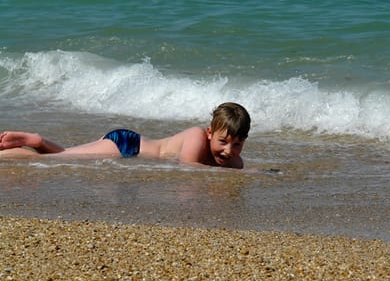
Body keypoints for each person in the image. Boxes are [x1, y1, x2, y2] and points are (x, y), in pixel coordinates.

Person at [0, 102, 250, 169]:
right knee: (54, 160)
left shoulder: (232, 159)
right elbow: (190, 168)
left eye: (237, 144)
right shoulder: (196, 136)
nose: (228, 150)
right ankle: (30, 143)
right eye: (222, 141)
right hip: (127, 146)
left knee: (67, 155)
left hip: (129, 153)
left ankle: (39, 142)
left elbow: (234, 165)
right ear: (209, 133)